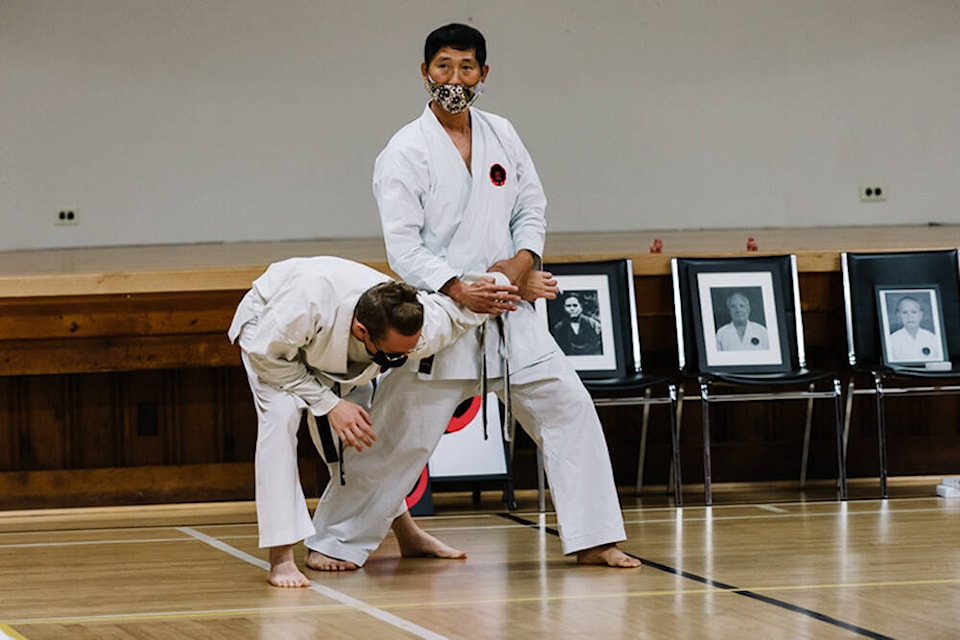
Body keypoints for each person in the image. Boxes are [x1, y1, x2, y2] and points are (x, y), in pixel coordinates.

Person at [316, 22, 638, 569]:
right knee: (400, 439)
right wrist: (458, 287)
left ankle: (593, 537)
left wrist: (517, 265)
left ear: (483, 74)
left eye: (466, 68)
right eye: (443, 66)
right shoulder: (404, 151)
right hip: (439, 315)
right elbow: (403, 248)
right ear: (424, 73)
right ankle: (336, 541)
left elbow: (530, 207)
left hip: (511, 310)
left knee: (569, 410)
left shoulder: (502, 134)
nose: (454, 78)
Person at [228, 256, 519, 587]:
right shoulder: (302, 304)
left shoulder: (418, 321)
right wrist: (328, 403)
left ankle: (407, 533)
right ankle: (280, 559)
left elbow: (460, 308)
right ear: (361, 331)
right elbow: (266, 356)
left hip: (340, 352)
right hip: (271, 342)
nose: (395, 361)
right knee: (280, 423)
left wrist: (505, 285)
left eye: (403, 354)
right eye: (390, 355)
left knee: (363, 437)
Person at [887, 295, 942, 362]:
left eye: (914, 312)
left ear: (921, 314)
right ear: (898, 316)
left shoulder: (932, 338)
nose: (910, 316)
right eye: (905, 312)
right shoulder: (891, 340)